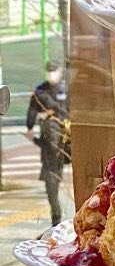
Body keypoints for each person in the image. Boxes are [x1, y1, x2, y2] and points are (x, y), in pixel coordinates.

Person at [26, 59, 70, 227]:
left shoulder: (69, 89)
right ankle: (56, 222)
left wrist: (57, 112)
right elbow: (32, 110)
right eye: (49, 71)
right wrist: (30, 127)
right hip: (52, 144)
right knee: (51, 181)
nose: (52, 74)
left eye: (55, 70)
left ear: (60, 71)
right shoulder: (40, 91)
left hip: (71, 139)